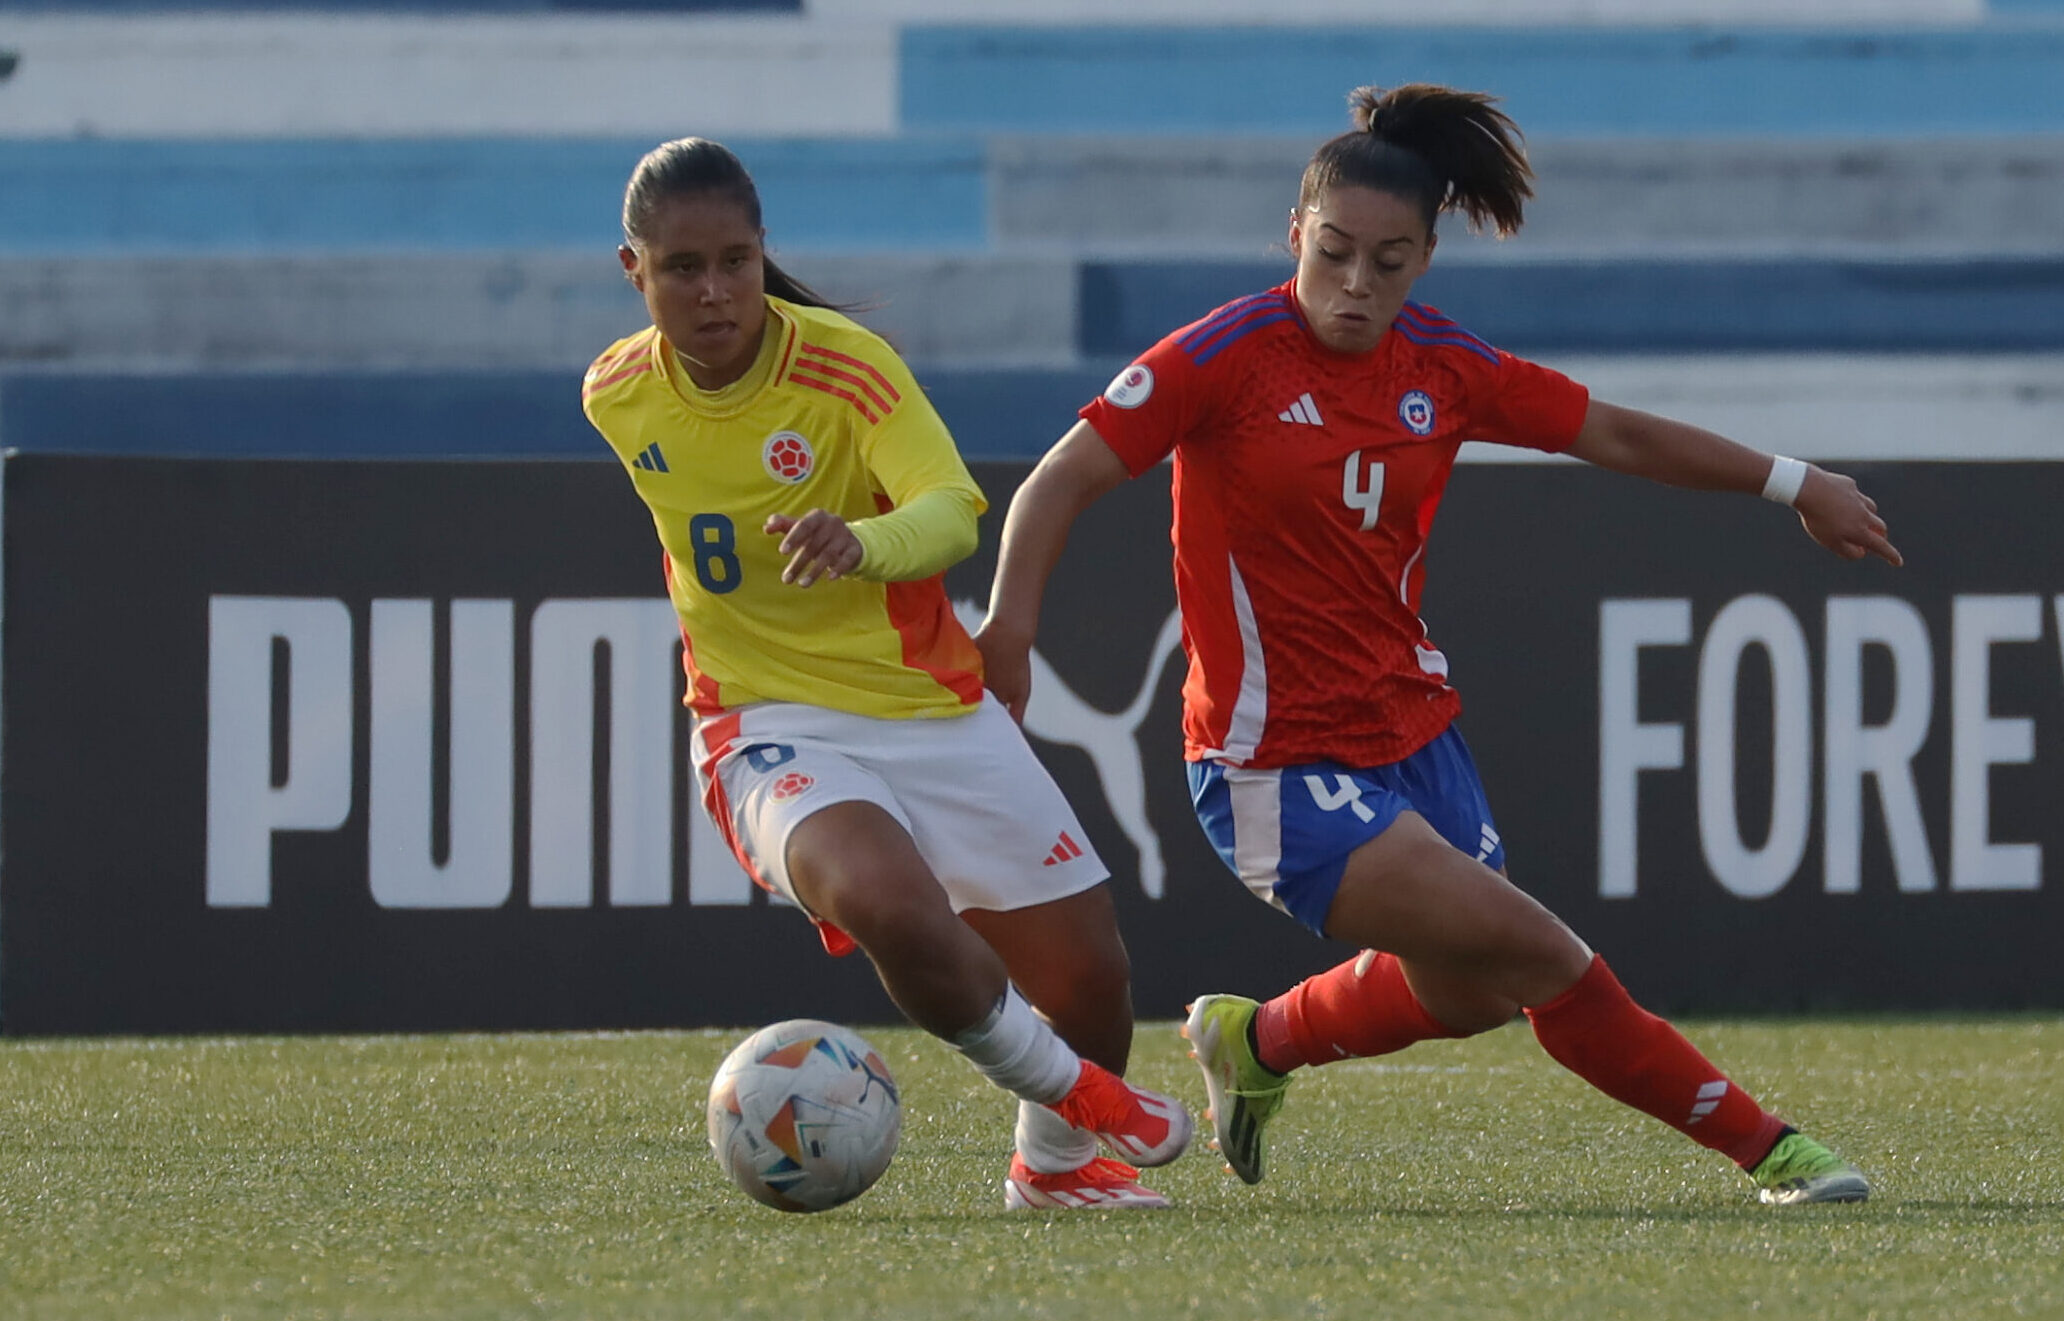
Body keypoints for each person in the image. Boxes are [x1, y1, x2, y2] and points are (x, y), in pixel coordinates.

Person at [978, 86, 1898, 1205]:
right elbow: (1062, 476)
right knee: (1545, 956)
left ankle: (1258, 1040)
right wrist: (1011, 628)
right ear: (1295, 236)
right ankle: (1774, 1150)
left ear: (1425, 261)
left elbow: (1613, 431)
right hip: (1273, 765)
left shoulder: (1442, 367)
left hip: (1413, 733)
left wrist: (1795, 483)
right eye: (1335, 254)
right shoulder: (1224, 356)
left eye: (1390, 261)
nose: (1357, 286)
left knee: (1471, 992)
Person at [582, 138, 1191, 1212]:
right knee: (885, 900)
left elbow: (951, 506)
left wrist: (864, 544)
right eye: (683, 268)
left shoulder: (844, 366)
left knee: (1092, 976)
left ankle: (1050, 1171)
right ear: (633, 272)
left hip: (926, 705)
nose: (716, 291)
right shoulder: (616, 393)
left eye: (737, 260)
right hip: (762, 722)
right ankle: (1087, 1099)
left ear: (766, 253)